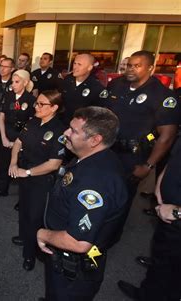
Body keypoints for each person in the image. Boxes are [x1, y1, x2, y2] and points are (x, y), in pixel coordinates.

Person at [36, 106, 128, 300]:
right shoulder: (94, 158)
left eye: (73, 131)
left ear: (95, 140)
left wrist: (43, 233)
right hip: (65, 258)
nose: (66, 133)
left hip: (73, 270)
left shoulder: (95, 181)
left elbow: (78, 242)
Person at [104, 50, 180, 218]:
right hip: (107, 149)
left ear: (150, 68)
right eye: (129, 65)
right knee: (101, 192)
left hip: (133, 156)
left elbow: (167, 136)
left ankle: (110, 238)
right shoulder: (116, 85)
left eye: (137, 66)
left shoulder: (162, 95)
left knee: (120, 200)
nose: (131, 69)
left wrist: (148, 165)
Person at [117, 137, 181, 301]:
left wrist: (177, 213)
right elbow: (174, 159)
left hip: (175, 216)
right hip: (167, 213)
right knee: (161, 260)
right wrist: (160, 183)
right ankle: (147, 294)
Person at [8, 90, 65, 271]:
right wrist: (13, 163)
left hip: (41, 180)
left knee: (35, 216)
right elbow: (18, 142)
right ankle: (25, 237)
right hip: (24, 172)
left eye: (42, 104)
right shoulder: (33, 121)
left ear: (54, 107)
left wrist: (28, 172)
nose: (37, 107)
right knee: (24, 210)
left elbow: (54, 164)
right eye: (36, 103)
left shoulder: (59, 130)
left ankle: (30, 254)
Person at [0, 69, 35, 200]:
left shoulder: (31, 100)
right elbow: (1, 117)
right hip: (7, 136)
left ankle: (23, 199)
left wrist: (19, 142)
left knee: (22, 167)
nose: (13, 85)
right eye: (12, 82)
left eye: (16, 82)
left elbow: (32, 124)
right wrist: (3, 137)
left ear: (25, 82)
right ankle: (1, 189)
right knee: (4, 164)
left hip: (22, 138)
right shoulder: (8, 96)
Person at [60, 53, 105, 126]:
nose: (75, 67)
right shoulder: (68, 79)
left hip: (81, 127)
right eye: (74, 63)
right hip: (62, 122)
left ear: (89, 67)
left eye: (79, 64)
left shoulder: (96, 87)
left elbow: (97, 113)